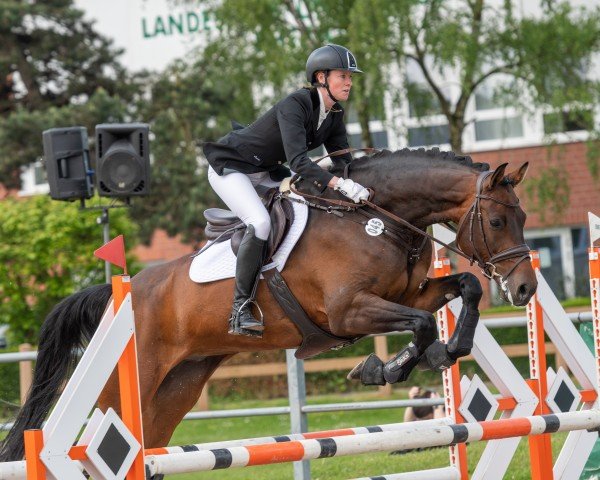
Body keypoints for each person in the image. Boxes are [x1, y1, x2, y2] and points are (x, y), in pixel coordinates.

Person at [203, 44, 370, 337]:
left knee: (306, 208)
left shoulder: (333, 114)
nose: (349, 83)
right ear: (321, 77)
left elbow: (343, 161)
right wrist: (341, 185)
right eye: (343, 76)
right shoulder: (296, 104)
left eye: (350, 77)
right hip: (232, 168)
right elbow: (300, 163)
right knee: (261, 222)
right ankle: (240, 309)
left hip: (265, 172)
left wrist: (362, 182)